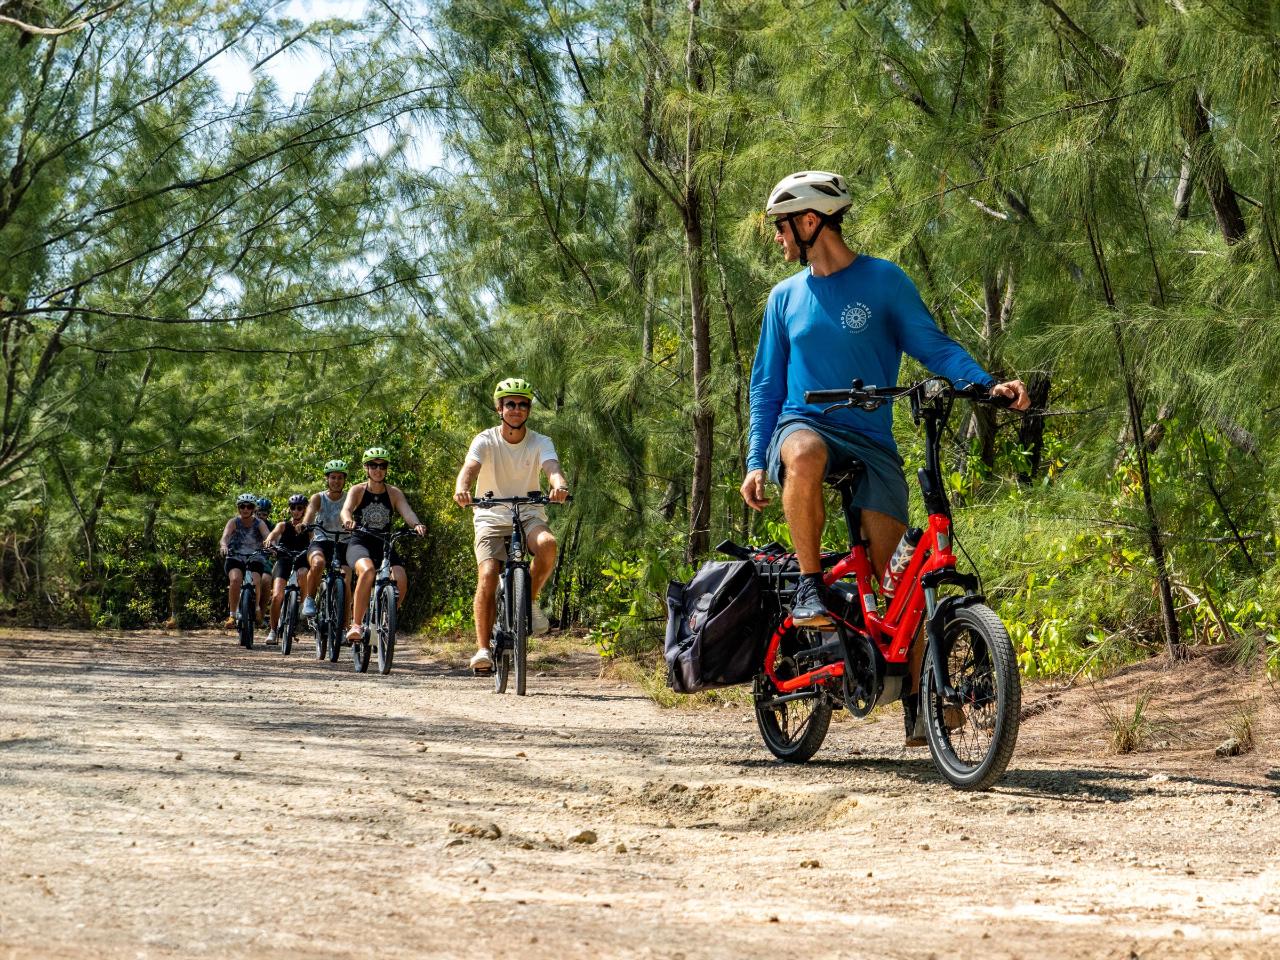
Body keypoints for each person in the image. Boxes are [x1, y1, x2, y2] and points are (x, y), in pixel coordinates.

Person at [740, 170, 1030, 745]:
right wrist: (755, 457)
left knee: (900, 577)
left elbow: (933, 345)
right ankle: (809, 586)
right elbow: (766, 387)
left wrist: (984, 384)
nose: (778, 239)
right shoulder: (784, 299)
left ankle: (922, 704)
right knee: (802, 451)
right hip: (805, 425)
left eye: (781, 227)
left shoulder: (883, 282)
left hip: (871, 445)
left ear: (809, 222)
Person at [453, 378, 569, 675]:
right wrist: (463, 489)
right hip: (491, 514)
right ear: (499, 408)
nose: (517, 409)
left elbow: (552, 469)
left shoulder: (540, 441)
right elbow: (469, 469)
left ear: (529, 409)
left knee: (547, 545)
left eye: (523, 404)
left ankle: (525, 601)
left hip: (528, 511)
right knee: (489, 574)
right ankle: (482, 650)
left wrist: (559, 486)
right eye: (510, 404)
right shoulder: (485, 439)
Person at [341, 448, 426, 642]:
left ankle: (387, 620)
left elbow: (408, 512)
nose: (378, 470)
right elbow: (346, 510)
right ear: (366, 468)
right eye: (373, 465)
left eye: (382, 465)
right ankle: (356, 625)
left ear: (386, 469)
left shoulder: (394, 493)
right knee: (368, 571)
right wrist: (347, 521)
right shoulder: (357, 490)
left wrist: (417, 524)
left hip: (384, 544)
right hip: (360, 542)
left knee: (401, 579)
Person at [301, 459, 352, 623]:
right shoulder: (318, 497)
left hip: (343, 543)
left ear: (344, 480)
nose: (336, 481)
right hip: (321, 541)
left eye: (340, 478)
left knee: (346, 580)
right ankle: (309, 598)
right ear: (327, 479)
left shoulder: (349, 497)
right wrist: (305, 524)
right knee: (318, 564)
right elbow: (309, 512)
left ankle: (344, 628)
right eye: (333, 477)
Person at [263, 494, 312, 645]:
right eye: (293, 508)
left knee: (303, 573)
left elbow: (314, 539)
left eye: (299, 508)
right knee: (277, 596)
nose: (296, 511)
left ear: (305, 510)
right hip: (284, 559)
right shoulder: (283, 525)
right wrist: (269, 541)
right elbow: (272, 535)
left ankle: (304, 604)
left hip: (302, 559)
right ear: (289, 509)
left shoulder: (308, 528)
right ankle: (273, 630)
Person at [218, 493, 272, 630]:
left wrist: (270, 545)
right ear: (238, 508)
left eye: (249, 506)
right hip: (235, 557)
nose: (245, 509)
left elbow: (267, 536)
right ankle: (232, 614)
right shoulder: (233, 522)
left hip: (255, 557)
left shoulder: (259, 523)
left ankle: (257, 608)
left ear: (253, 508)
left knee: (256, 580)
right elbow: (225, 536)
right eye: (242, 506)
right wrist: (224, 545)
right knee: (235, 579)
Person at [253, 496, 274, 627]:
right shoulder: (247, 523)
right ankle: (234, 612)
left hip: (264, 558)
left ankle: (260, 612)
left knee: (266, 580)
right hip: (246, 556)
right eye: (258, 513)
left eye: (264, 514)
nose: (261, 516)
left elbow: (276, 540)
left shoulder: (271, 527)